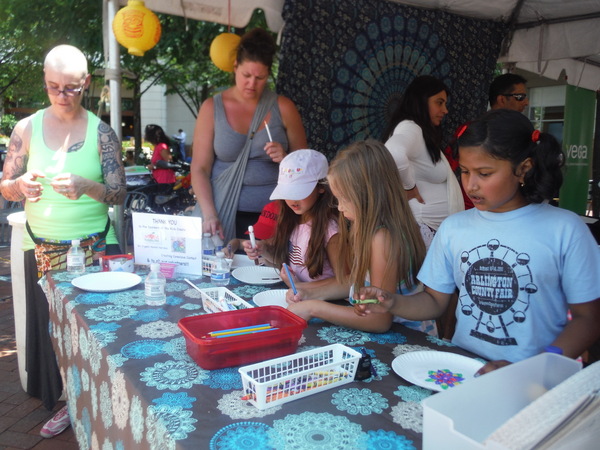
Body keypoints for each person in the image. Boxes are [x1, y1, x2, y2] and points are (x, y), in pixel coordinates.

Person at [356, 109, 600, 373]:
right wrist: (392, 301)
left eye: (484, 174)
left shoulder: (565, 230)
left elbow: (588, 319)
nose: (471, 186)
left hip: (536, 381)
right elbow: (435, 302)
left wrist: (538, 366)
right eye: (464, 171)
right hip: (466, 369)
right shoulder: (454, 227)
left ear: (523, 169)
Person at [0, 45, 126, 437]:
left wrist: (88, 186)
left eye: (71, 88)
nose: (61, 95)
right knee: (51, 332)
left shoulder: (102, 132)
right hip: (38, 246)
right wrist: (19, 185)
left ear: (86, 83)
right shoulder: (26, 128)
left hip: (95, 245)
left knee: (96, 332)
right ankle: (68, 402)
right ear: (45, 81)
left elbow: (119, 192)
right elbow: (5, 187)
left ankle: (97, 399)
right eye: (53, 87)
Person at [285, 141, 430, 334]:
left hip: (405, 338)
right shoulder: (371, 228)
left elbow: (379, 320)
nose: (339, 207)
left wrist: (314, 308)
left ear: (369, 194)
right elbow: (358, 282)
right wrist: (309, 291)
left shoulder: (382, 238)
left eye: (345, 198)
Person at [191, 28, 307, 242]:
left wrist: (286, 158)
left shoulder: (284, 107)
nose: (252, 84)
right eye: (246, 75)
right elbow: (199, 168)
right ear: (235, 67)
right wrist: (209, 214)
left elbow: (306, 167)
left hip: (275, 217)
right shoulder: (211, 108)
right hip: (222, 213)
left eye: (260, 78)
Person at [383, 75, 464, 248]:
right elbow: (393, 152)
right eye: (439, 102)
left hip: (430, 233)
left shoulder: (420, 132)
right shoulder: (411, 127)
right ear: (420, 101)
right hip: (421, 234)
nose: (445, 110)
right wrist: (409, 187)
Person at [243, 150, 339, 283]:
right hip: (298, 296)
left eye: (299, 192)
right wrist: (263, 249)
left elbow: (346, 281)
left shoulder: (330, 231)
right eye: (288, 192)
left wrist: (304, 290)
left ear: (321, 187)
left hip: (319, 300)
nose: (293, 199)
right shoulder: (292, 219)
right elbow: (287, 262)